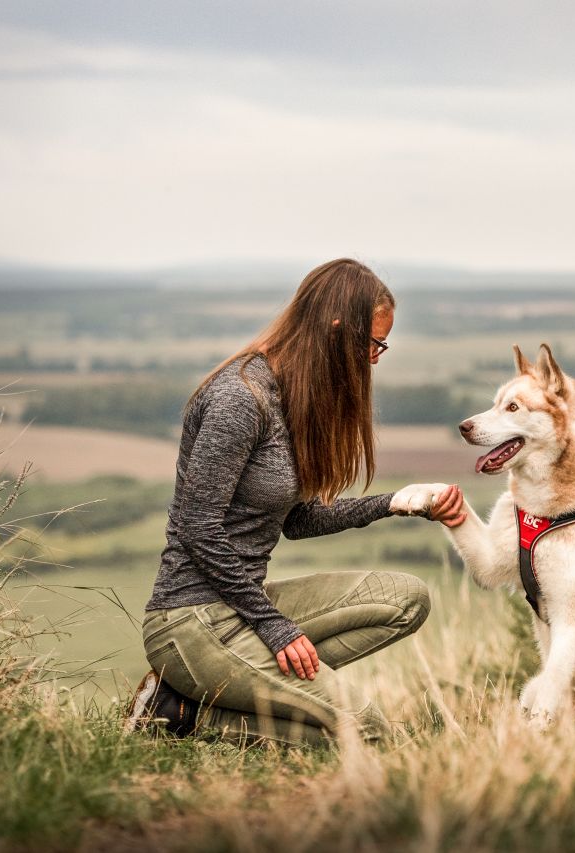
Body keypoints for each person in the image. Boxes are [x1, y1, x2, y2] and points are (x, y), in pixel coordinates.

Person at [123, 258, 466, 747]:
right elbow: (197, 526)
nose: (375, 358)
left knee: (407, 599)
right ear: (335, 330)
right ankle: (175, 715)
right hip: (191, 621)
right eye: (373, 343)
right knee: (365, 731)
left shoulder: (293, 396)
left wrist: (395, 503)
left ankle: (244, 693)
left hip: (242, 607)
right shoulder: (240, 397)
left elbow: (298, 521)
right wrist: (275, 628)